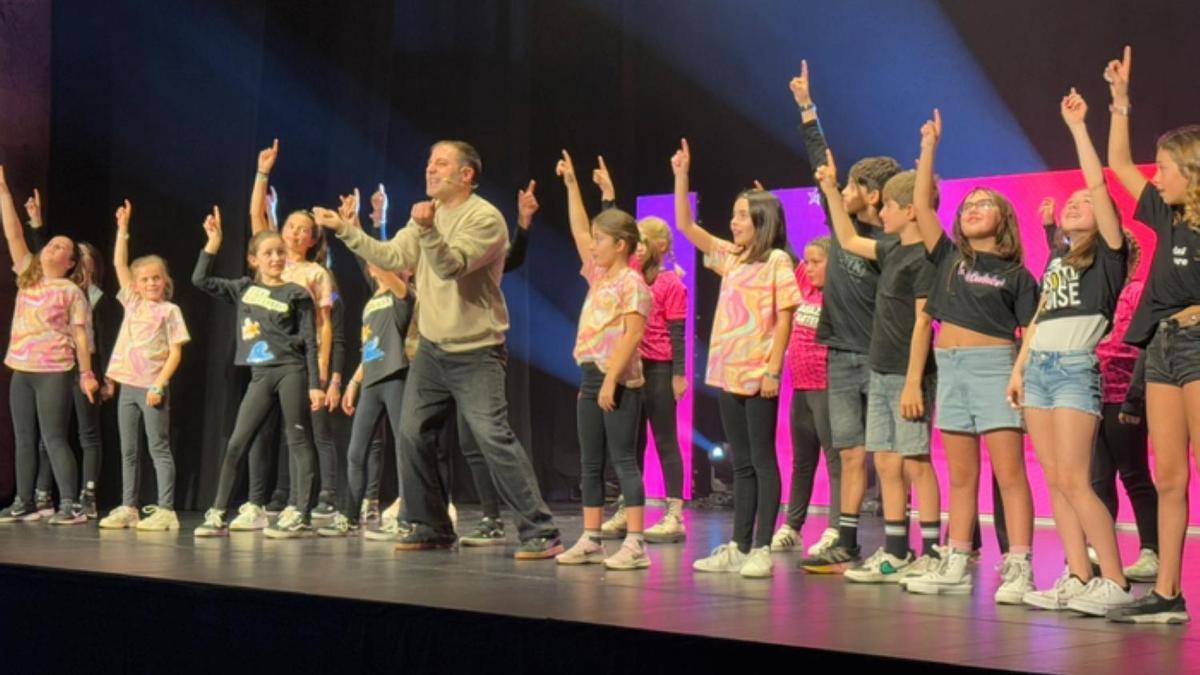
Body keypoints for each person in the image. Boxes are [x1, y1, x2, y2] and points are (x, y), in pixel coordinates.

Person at [314, 140, 562, 559]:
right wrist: (345, 230)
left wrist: (427, 229)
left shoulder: (485, 219)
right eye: (429, 162)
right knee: (411, 433)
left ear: (467, 174)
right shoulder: (426, 216)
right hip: (431, 348)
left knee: (491, 435)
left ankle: (541, 529)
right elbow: (391, 255)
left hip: (477, 349)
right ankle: (431, 526)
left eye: (441, 163)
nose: (430, 169)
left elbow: (450, 266)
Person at [1011, 89, 1132, 615]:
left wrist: (1079, 129)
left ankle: (1115, 580)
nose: (1076, 203)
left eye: (1084, 202)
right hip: (1038, 367)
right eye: (1071, 202)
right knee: (1055, 479)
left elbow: (1100, 187)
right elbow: (1039, 319)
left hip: (1075, 369)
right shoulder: (1058, 261)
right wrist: (1018, 369)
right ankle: (1078, 576)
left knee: (1077, 479)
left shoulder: (1108, 253)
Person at [671, 139, 801, 579]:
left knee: (763, 460)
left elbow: (785, 320)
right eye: (734, 214)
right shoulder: (731, 257)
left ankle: (762, 546)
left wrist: (772, 370)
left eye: (742, 215)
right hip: (728, 372)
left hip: (759, 372)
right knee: (741, 463)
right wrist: (681, 175)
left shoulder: (778, 261)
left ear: (762, 220)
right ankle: (739, 545)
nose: (734, 221)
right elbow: (687, 226)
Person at [1103, 46, 1200, 625]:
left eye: (1164, 166)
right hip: (1161, 348)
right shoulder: (1166, 215)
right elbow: (1118, 164)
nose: (1154, 175)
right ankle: (1168, 592)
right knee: (1169, 474)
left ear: (1191, 171)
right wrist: (1119, 101)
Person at [192, 207, 324, 539]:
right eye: (269, 253)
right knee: (238, 441)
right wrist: (213, 243)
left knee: (297, 440)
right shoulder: (243, 288)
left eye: (280, 252)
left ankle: (301, 513)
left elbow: (309, 340)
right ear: (254, 260)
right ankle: (218, 511)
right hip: (260, 375)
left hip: (291, 370)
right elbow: (200, 280)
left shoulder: (296, 293)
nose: (277, 258)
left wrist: (314, 385)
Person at [553, 150, 652, 570]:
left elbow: (632, 334)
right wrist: (573, 186)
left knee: (623, 460)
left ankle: (635, 543)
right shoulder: (598, 275)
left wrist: (611, 379)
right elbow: (577, 231)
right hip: (590, 375)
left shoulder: (632, 282)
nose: (592, 245)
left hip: (620, 380)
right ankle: (591, 537)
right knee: (590, 461)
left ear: (621, 245)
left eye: (600, 239)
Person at [0, 165, 96, 524]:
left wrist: (86, 374)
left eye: (60, 247)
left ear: (69, 263)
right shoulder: (28, 274)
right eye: (51, 243)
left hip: (54, 370)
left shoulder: (70, 290)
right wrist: (4, 193)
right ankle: (24, 500)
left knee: (54, 437)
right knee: (24, 439)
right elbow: (12, 234)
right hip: (21, 369)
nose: (51, 247)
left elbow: (81, 335)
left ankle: (69, 503)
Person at [97, 200, 190, 531]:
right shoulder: (133, 302)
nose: (151, 283)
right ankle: (129, 507)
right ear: (135, 285)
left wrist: (159, 384)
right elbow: (119, 263)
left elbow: (175, 354)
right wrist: (123, 230)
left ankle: (166, 510)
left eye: (157, 279)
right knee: (129, 450)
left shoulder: (170, 311)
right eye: (145, 279)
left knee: (158, 448)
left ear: (165, 282)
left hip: (152, 387)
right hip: (127, 387)